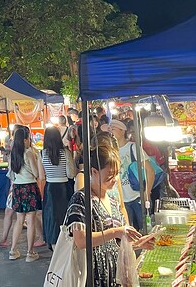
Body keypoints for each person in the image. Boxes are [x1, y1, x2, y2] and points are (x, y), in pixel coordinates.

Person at [65, 142, 155, 287]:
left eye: (117, 174)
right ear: (94, 171)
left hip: (115, 275)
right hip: (92, 276)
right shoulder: (81, 199)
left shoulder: (113, 201)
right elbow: (81, 241)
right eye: (109, 175)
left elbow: (118, 243)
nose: (114, 180)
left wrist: (139, 243)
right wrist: (115, 232)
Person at [110, 119, 154, 231]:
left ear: (122, 131)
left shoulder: (133, 147)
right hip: (121, 201)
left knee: (146, 230)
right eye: (109, 129)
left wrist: (147, 193)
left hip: (138, 197)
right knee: (127, 233)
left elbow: (150, 171)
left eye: (113, 129)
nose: (110, 132)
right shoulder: (110, 150)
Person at [38, 126, 76, 249]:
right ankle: (67, 244)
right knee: (65, 217)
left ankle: (54, 246)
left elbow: (41, 176)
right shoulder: (65, 152)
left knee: (52, 218)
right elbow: (71, 174)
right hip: (64, 188)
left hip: (50, 189)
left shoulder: (41, 154)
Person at [8, 127, 42, 262]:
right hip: (29, 188)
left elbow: (11, 173)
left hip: (17, 188)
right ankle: (30, 252)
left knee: (19, 220)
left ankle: (13, 250)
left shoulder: (12, 154)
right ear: (25, 139)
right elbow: (36, 173)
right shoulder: (28, 153)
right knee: (31, 220)